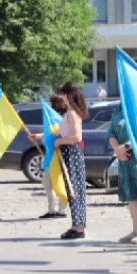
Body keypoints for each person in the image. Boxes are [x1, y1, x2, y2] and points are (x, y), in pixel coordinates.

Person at [108, 96, 137, 245]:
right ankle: (136, 229)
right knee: (131, 193)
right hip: (124, 159)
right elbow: (111, 133)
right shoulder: (118, 111)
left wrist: (127, 147)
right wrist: (118, 150)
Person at [56, 82, 89, 240]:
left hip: (72, 152)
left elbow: (77, 137)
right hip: (67, 152)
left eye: (63, 94)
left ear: (68, 96)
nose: (61, 98)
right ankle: (76, 223)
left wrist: (60, 142)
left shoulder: (73, 114)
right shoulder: (69, 113)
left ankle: (79, 226)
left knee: (75, 188)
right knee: (71, 189)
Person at [34, 95, 70, 220]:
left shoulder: (64, 119)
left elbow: (60, 133)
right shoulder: (51, 120)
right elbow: (49, 134)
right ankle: (51, 210)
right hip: (49, 160)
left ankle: (62, 210)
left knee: (60, 184)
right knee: (48, 186)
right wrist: (38, 136)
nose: (54, 104)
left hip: (59, 159)